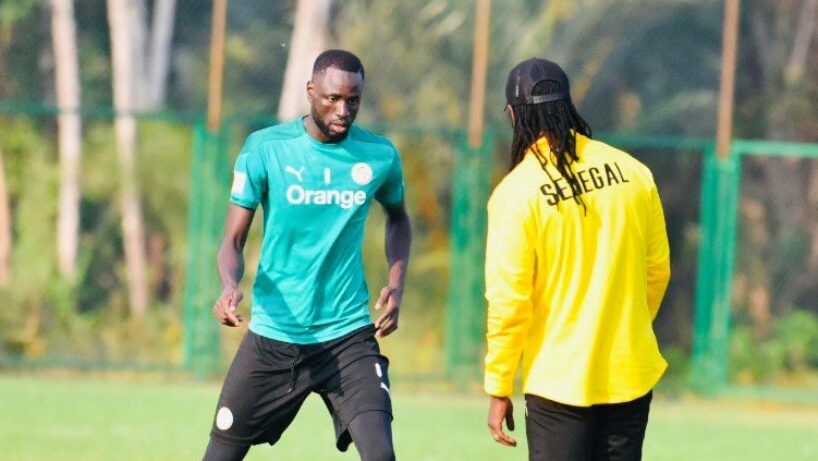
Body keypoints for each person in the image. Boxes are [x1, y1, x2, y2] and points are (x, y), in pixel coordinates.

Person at [203, 49, 411, 461]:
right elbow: (232, 240)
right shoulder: (265, 149)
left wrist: (396, 283)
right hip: (275, 335)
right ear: (310, 92)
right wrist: (229, 285)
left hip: (348, 336)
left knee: (382, 455)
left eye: (353, 100)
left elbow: (399, 219)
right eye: (332, 98)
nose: (343, 110)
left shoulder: (379, 155)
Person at [483, 58, 671, 461]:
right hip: (628, 372)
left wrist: (499, 383)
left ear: (514, 114)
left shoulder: (517, 193)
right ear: (568, 105)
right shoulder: (633, 172)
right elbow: (657, 270)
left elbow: (509, 302)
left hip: (557, 381)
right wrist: (625, 328)